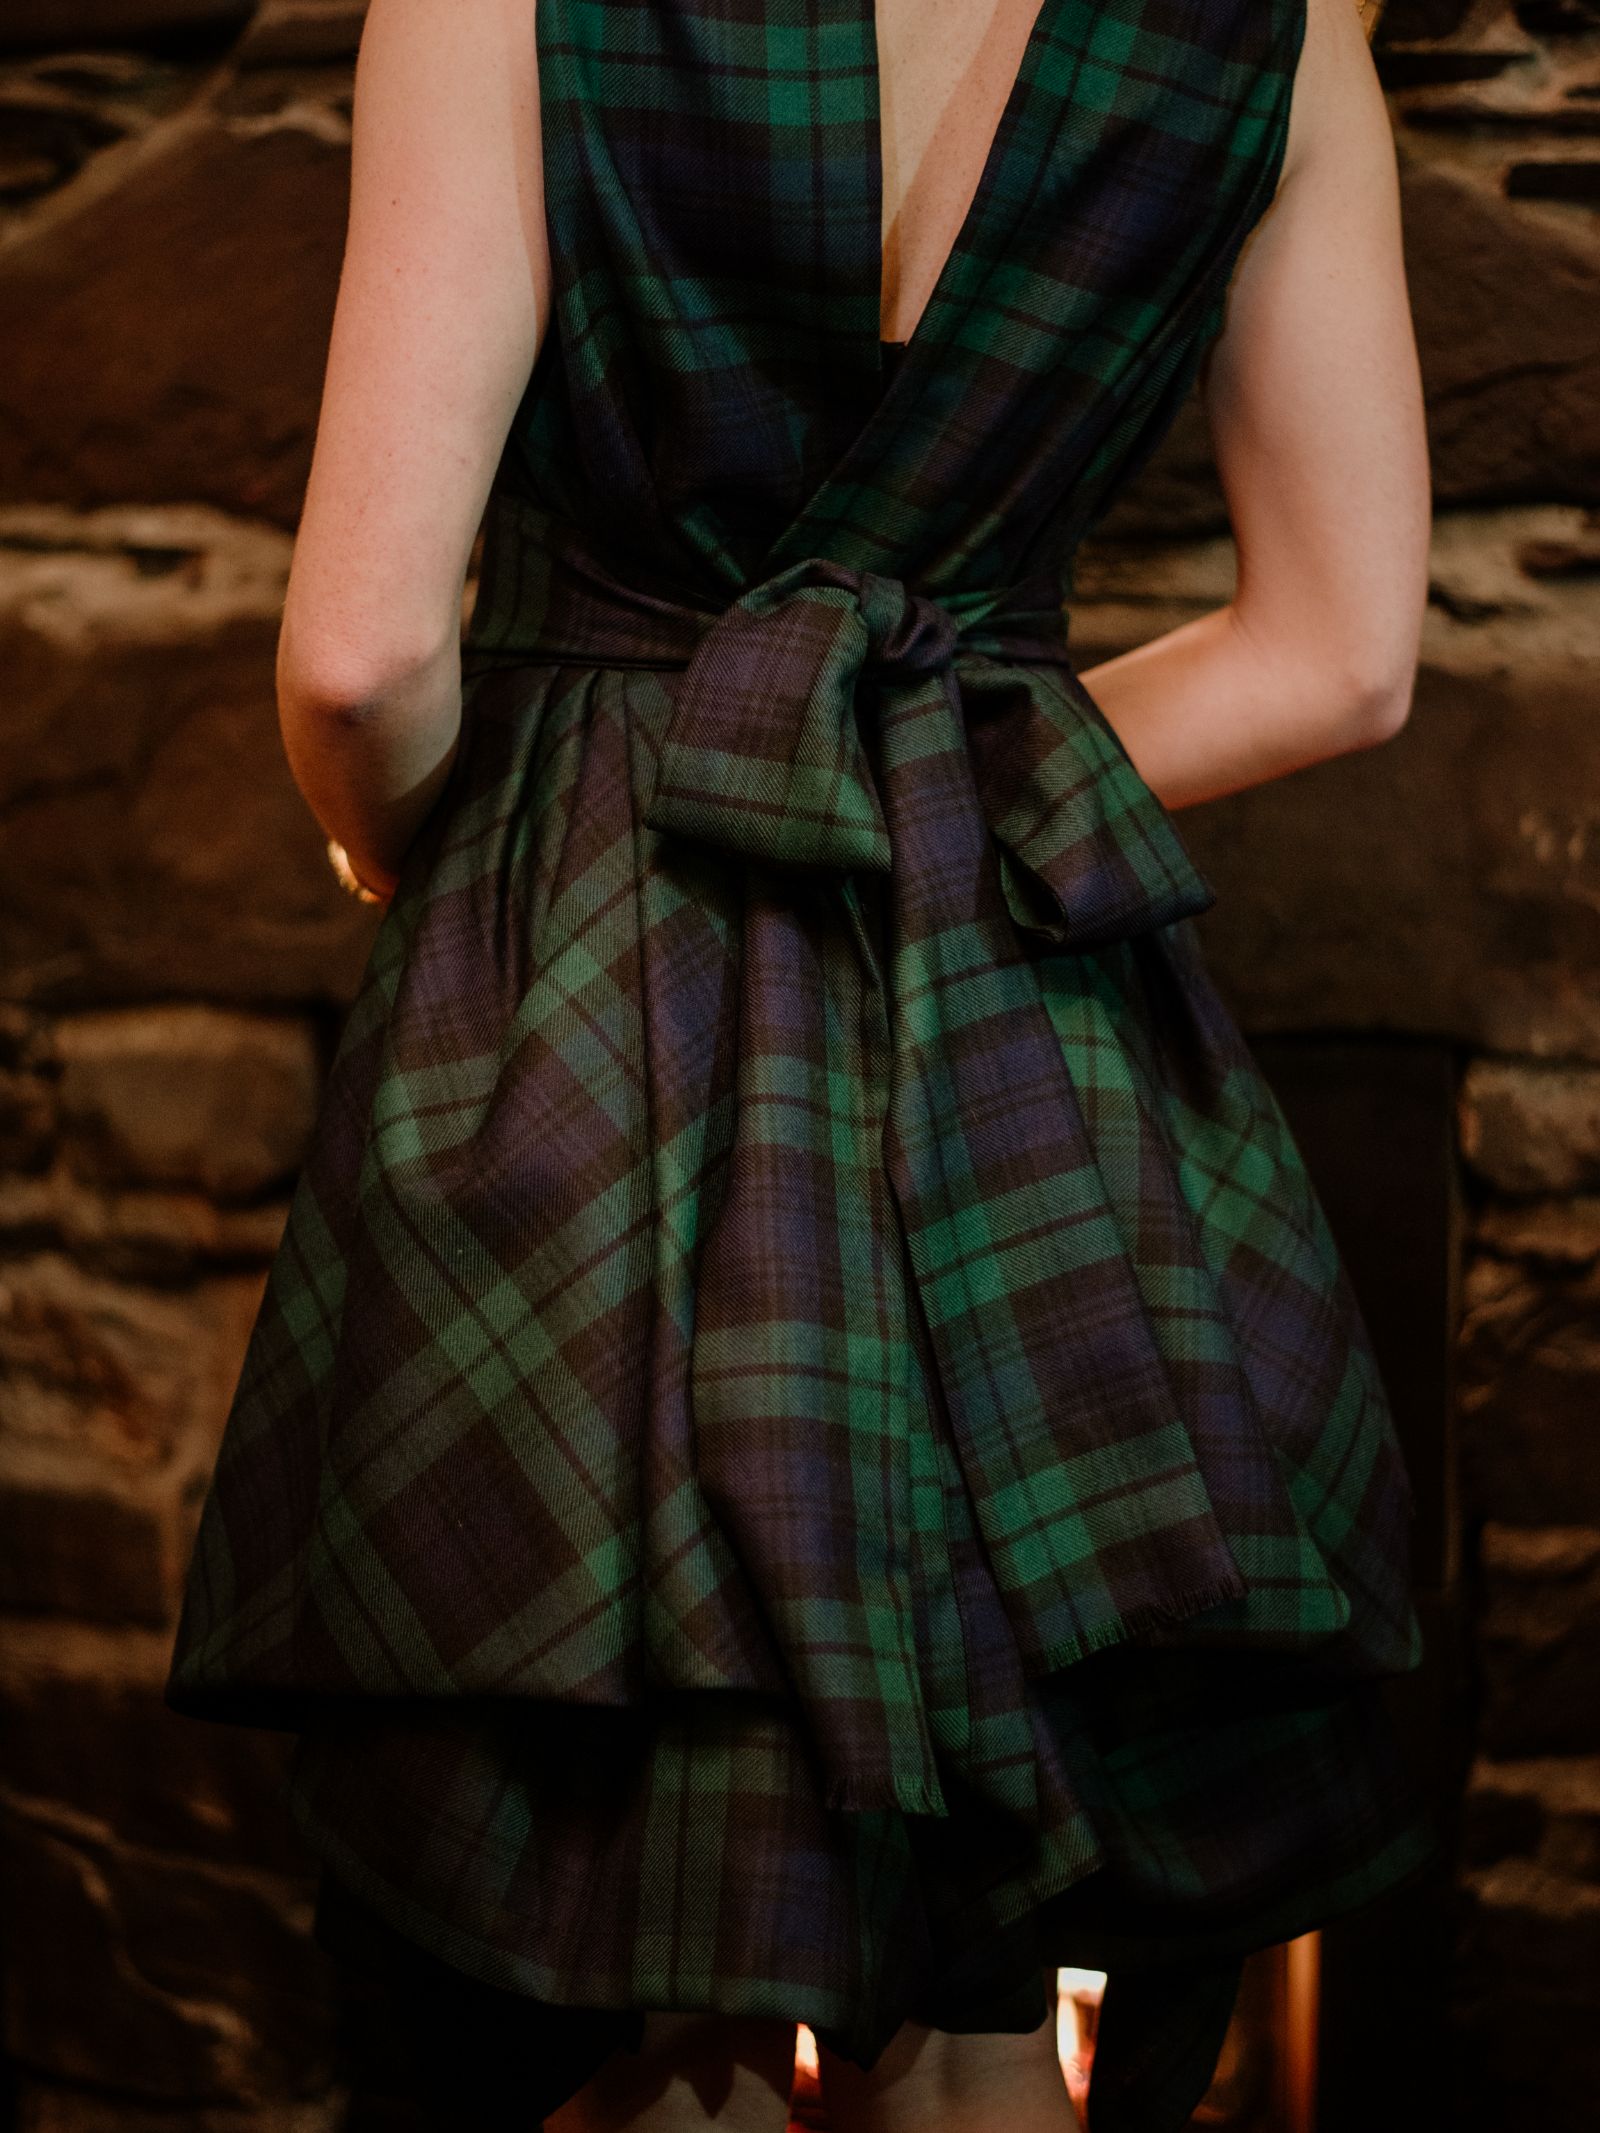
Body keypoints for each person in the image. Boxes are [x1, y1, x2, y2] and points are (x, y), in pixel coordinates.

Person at [164, 2, 1433, 2130]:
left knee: (596, 1954)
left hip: (581, 993)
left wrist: (430, 861)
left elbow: (364, 650)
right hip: (1022, 1024)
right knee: (990, 1968)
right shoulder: (1277, 35)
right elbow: (1346, 649)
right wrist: (950, 768)